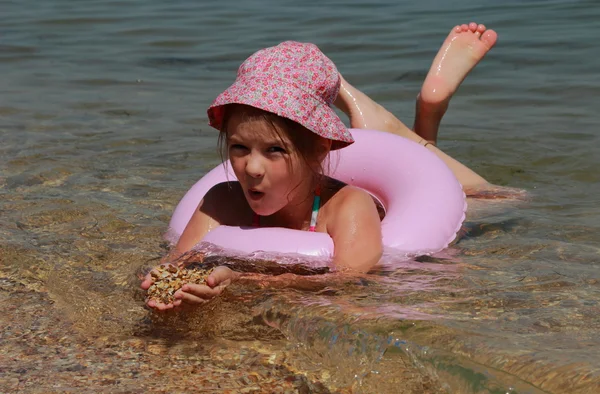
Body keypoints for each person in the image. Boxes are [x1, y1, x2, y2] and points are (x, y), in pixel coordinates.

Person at [141, 22, 499, 310]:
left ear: (320, 149)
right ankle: (398, 126)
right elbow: (176, 263)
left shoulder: (349, 207)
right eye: (238, 147)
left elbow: (351, 284)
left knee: (499, 199)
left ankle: (426, 114)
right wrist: (161, 284)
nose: (251, 167)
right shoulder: (220, 200)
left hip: (437, 210)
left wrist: (244, 281)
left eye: (274, 150)